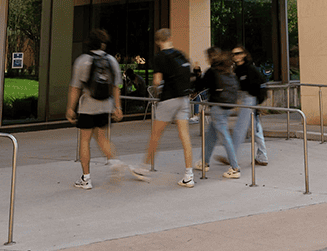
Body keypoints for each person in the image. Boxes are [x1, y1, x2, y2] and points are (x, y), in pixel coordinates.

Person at [67, 28, 148, 190]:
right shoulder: (111, 61)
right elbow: (116, 86)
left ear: (89, 43)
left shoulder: (82, 60)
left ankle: (86, 178)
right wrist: (117, 107)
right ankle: (114, 161)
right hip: (106, 105)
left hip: (87, 107)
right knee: (102, 137)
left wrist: (70, 108)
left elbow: (75, 87)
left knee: (84, 140)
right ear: (103, 44)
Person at [142, 28, 197, 187]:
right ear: (170, 38)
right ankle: (189, 175)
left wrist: (156, 85)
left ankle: (143, 168)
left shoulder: (160, 57)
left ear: (158, 42)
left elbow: (157, 81)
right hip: (183, 99)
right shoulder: (180, 54)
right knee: (185, 137)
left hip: (168, 99)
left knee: (155, 135)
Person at [196, 47, 243, 179]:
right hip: (227, 106)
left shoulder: (212, 71)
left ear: (210, 57)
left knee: (224, 136)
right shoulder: (227, 69)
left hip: (217, 106)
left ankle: (235, 168)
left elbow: (200, 85)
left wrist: (196, 72)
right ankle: (204, 162)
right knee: (211, 135)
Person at [233, 46, 270, 167]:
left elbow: (260, 82)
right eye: (234, 54)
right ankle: (262, 156)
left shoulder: (249, 68)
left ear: (244, 54)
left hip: (250, 99)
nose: (236, 56)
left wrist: (257, 101)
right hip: (246, 100)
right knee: (254, 128)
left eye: (238, 53)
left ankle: (232, 156)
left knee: (243, 128)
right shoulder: (237, 69)